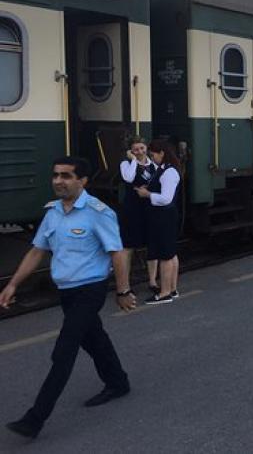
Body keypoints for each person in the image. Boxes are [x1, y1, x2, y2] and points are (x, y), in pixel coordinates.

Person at [0, 157, 135, 439]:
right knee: (93, 338)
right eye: (56, 175)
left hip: (90, 289)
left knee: (65, 350)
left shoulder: (99, 212)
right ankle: (118, 382)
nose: (58, 181)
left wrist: (122, 291)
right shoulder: (53, 213)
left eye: (66, 176)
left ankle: (35, 418)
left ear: (82, 181)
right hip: (67, 292)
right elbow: (37, 250)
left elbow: (118, 253)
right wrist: (13, 284)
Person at [135, 139, 182, 304]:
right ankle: (173, 289)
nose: (152, 157)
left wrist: (147, 194)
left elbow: (166, 198)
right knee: (171, 252)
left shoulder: (169, 172)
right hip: (164, 215)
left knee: (165, 254)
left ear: (162, 153)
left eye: (153, 154)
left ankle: (165, 293)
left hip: (164, 215)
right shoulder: (165, 169)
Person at [119, 137, 159, 294]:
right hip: (132, 209)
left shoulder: (153, 165)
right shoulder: (126, 164)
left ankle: (153, 281)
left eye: (142, 148)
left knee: (152, 245)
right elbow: (128, 178)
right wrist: (134, 160)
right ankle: (125, 285)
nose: (140, 152)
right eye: (135, 149)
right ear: (130, 151)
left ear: (146, 148)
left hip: (149, 207)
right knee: (128, 246)